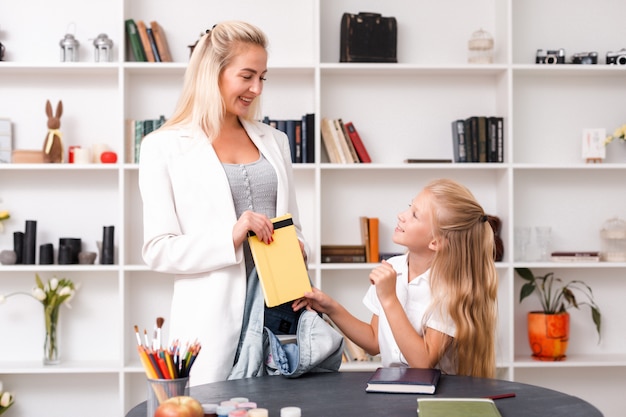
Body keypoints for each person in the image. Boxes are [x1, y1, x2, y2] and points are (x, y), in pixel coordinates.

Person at [138, 20, 308, 385]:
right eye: (247, 76)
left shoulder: (274, 141)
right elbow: (157, 250)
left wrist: (298, 248)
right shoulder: (163, 147)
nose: (256, 88)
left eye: (263, 77)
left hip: (279, 316)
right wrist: (231, 235)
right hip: (210, 324)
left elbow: (294, 228)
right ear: (212, 73)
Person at [294, 178, 498, 377]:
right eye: (410, 207)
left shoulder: (450, 289)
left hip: (436, 399)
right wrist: (330, 307)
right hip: (395, 391)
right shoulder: (393, 268)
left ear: (436, 242)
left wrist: (389, 298)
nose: (402, 215)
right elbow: (374, 342)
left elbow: (423, 364)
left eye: (415, 215)